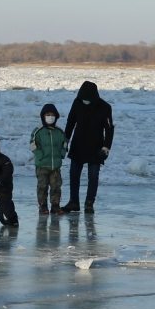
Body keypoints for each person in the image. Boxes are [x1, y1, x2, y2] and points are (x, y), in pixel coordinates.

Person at [61, 81, 114, 213]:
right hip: (78, 144)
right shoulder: (77, 102)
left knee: (93, 175)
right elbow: (70, 122)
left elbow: (109, 129)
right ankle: (74, 202)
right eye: (83, 98)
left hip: (96, 146)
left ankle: (89, 203)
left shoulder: (105, 107)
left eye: (87, 99)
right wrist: (65, 140)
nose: (84, 101)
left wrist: (106, 147)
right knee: (74, 174)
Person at [30, 103, 67, 214]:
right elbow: (33, 144)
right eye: (47, 114)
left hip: (55, 166)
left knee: (56, 186)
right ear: (43, 116)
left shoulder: (59, 132)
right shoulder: (38, 131)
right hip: (42, 165)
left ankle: (55, 205)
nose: (50, 117)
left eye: (52, 115)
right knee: (42, 186)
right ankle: (43, 206)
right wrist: (40, 156)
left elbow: (64, 144)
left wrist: (61, 154)